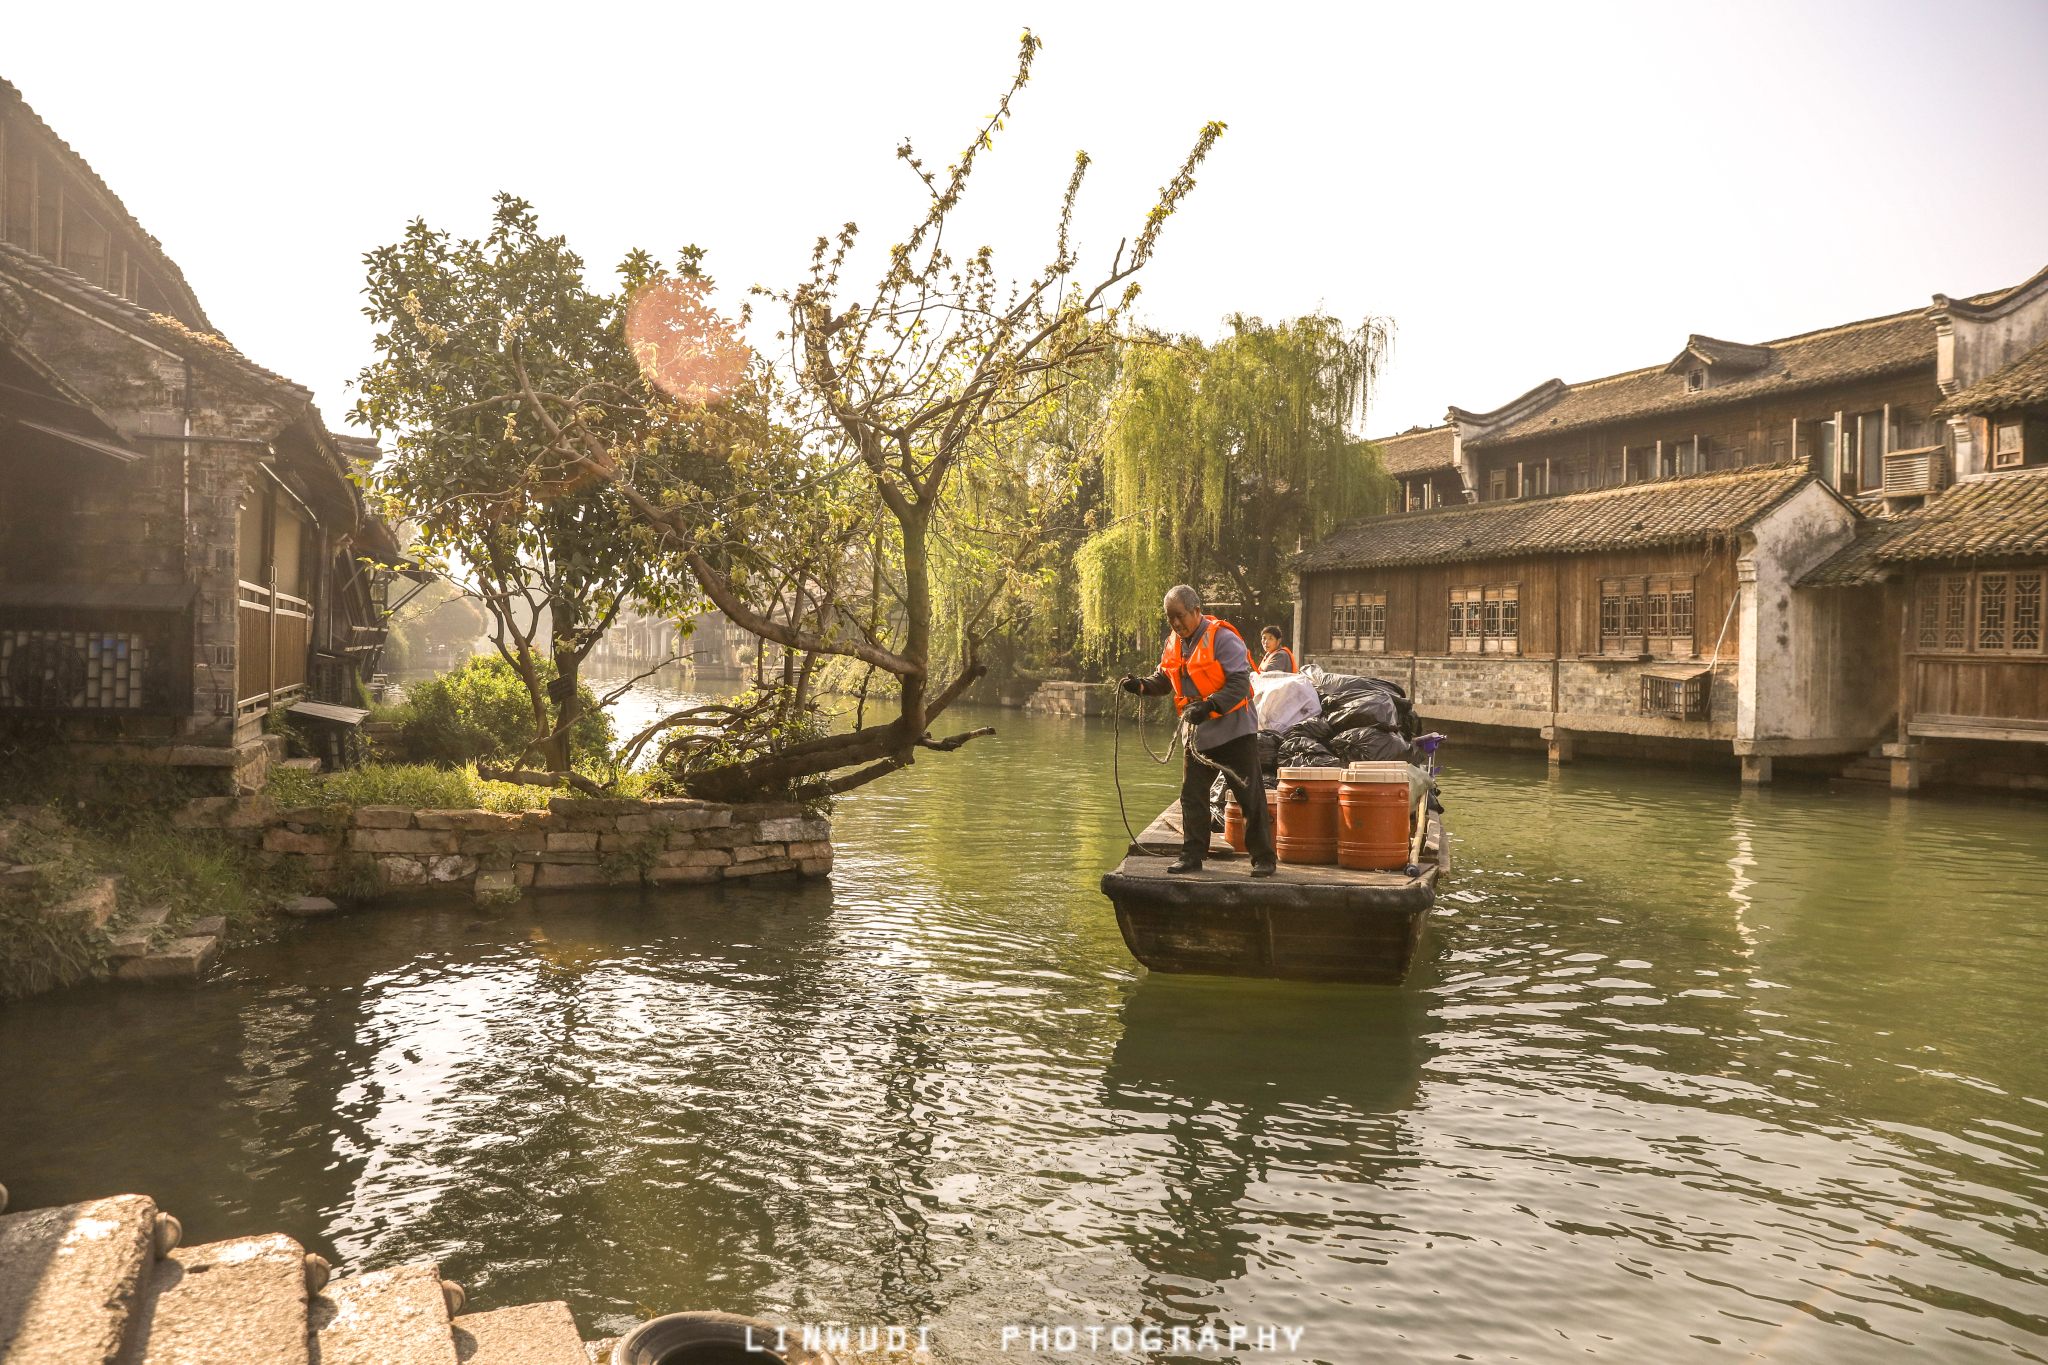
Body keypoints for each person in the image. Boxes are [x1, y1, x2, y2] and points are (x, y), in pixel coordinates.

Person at [1120, 585, 1277, 877]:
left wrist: (1209, 706)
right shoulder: (1174, 643)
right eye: (1170, 619)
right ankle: (1192, 856)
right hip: (1198, 736)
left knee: (1248, 795)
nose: (1176, 624)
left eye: (1179, 616)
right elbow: (1164, 680)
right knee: (1192, 796)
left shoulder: (1223, 638)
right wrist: (1141, 686)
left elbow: (1240, 684)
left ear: (1195, 611)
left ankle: (1264, 858)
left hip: (1234, 730)